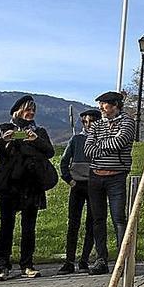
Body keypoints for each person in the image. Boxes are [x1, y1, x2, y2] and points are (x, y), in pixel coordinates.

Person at [0, 95, 55, 281]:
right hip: (8, 185)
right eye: (27, 110)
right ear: (17, 111)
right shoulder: (3, 128)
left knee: (29, 227)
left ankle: (27, 264)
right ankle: (2, 265)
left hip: (32, 185)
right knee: (6, 226)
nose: (30, 113)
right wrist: (2, 140)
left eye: (33, 110)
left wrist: (36, 140)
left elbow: (50, 152)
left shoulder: (39, 131)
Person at [83, 91, 135, 276]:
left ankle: (123, 260)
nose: (101, 108)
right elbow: (88, 149)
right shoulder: (96, 125)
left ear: (114, 105)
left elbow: (120, 142)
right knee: (98, 220)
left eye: (104, 104)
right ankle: (101, 259)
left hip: (116, 176)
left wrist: (101, 146)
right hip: (95, 177)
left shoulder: (127, 122)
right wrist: (106, 145)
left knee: (118, 218)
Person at [57, 108, 100, 275]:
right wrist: (69, 179)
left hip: (94, 186)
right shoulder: (76, 139)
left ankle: (84, 260)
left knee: (92, 223)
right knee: (73, 223)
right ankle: (69, 260)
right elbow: (64, 161)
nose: (88, 125)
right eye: (85, 122)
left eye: (91, 121)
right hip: (77, 186)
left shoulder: (100, 140)